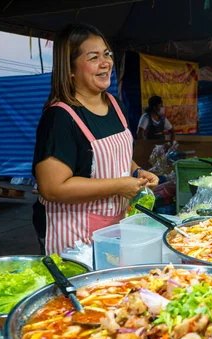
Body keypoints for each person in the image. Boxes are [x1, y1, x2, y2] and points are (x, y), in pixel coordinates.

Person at [32, 24, 159, 257]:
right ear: (70, 69)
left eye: (107, 54)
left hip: (113, 224)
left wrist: (136, 172)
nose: (106, 63)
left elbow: (115, 155)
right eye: (94, 57)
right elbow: (52, 188)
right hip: (72, 232)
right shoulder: (60, 117)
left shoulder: (114, 104)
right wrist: (120, 185)